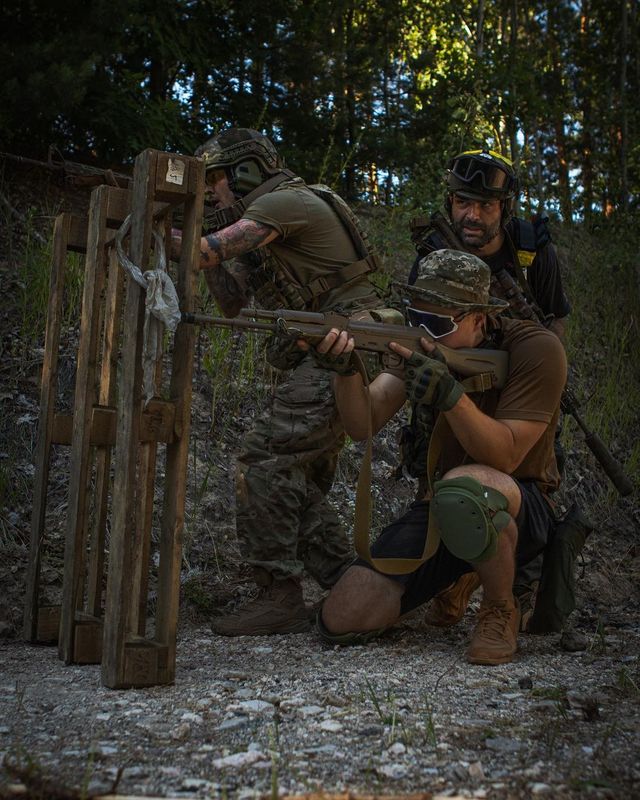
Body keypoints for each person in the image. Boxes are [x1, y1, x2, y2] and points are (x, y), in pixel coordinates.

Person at [174, 127, 382, 636]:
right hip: (338, 344)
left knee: (263, 458)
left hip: (350, 342)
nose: (214, 195)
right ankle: (350, 583)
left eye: (215, 183)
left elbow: (201, 253)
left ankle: (278, 594)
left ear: (245, 171)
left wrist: (173, 225)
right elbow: (232, 302)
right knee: (293, 472)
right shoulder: (266, 218)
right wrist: (208, 231)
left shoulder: (288, 202)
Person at [314, 249, 567, 665]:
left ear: (479, 319)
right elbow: (364, 421)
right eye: (415, 318)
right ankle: (466, 570)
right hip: (443, 507)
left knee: (464, 488)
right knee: (342, 616)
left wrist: (450, 395)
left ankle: (499, 607)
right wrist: (345, 370)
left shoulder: (536, 350)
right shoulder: (425, 349)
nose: (423, 333)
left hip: (519, 504)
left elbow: (505, 454)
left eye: (437, 324)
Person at [406, 149, 571, 628]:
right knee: (436, 473)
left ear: (505, 207)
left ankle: (514, 597)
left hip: (522, 384)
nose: (471, 215)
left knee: (527, 481)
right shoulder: (433, 255)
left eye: (485, 205)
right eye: (462, 202)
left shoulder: (531, 248)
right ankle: (455, 578)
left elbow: (556, 316)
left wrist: (536, 370)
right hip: (452, 384)